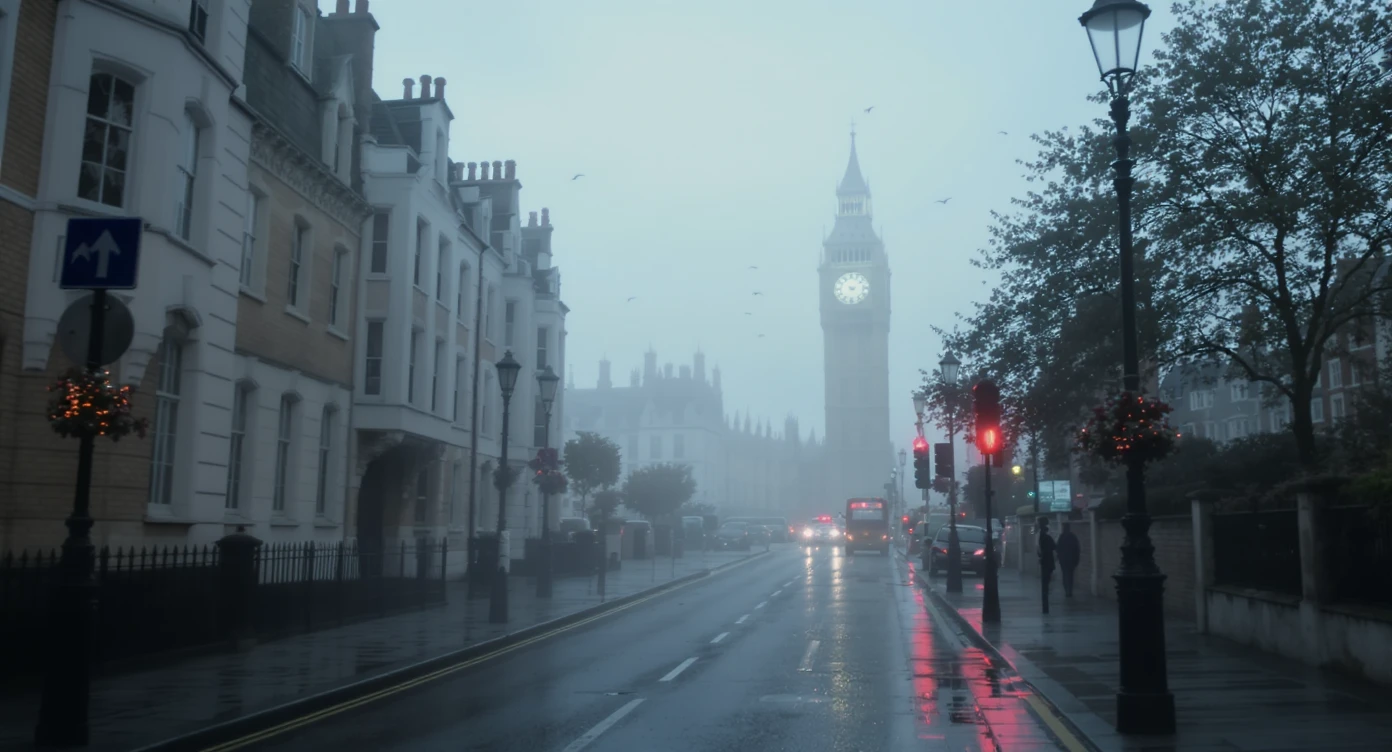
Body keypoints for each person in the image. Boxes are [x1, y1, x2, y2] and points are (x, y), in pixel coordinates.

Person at [1056, 521, 1081, 598]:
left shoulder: (1062, 536)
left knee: (1065, 575)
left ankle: (1067, 590)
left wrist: (1059, 556)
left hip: (1065, 560)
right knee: (1070, 575)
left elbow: (1058, 548)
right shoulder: (1072, 537)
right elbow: (1077, 549)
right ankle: (1069, 590)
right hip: (1070, 560)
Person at [1037, 518, 1056, 614]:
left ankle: (1045, 607)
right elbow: (1054, 547)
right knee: (1045, 585)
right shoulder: (1046, 537)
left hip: (1045, 563)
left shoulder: (1042, 537)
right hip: (1047, 563)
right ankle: (1045, 607)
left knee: (1045, 585)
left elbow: (1041, 550)